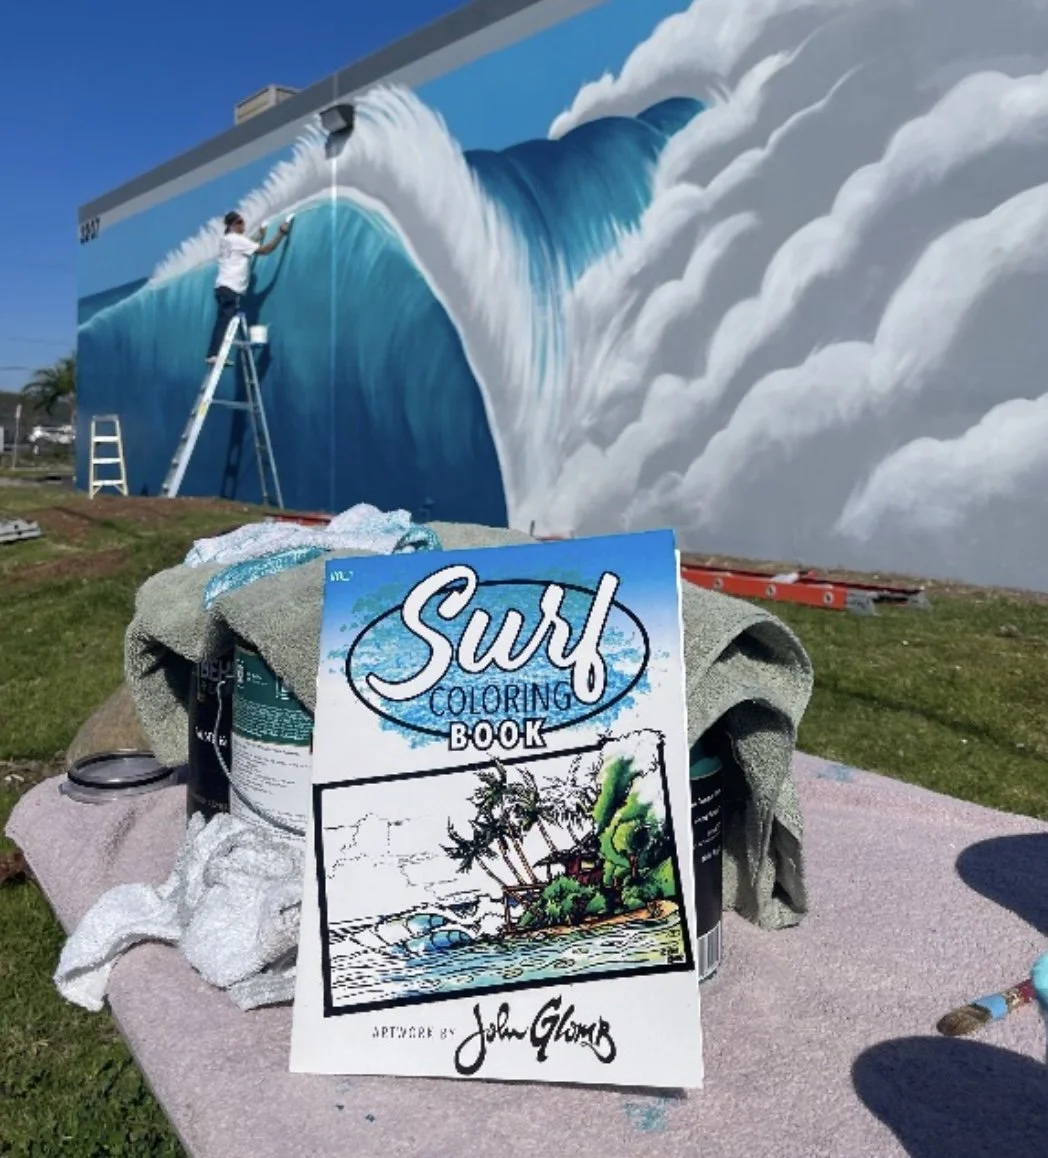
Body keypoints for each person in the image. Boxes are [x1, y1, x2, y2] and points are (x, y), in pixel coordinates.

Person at [205, 211, 290, 364]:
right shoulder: (237, 240)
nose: (243, 225)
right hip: (231, 288)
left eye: (243, 222)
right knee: (224, 321)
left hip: (222, 287)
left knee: (223, 321)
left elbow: (244, 246)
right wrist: (280, 233)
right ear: (231, 225)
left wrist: (259, 234)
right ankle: (214, 355)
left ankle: (213, 353)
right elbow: (266, 250)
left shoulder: (226, 240)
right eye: (239, 222)